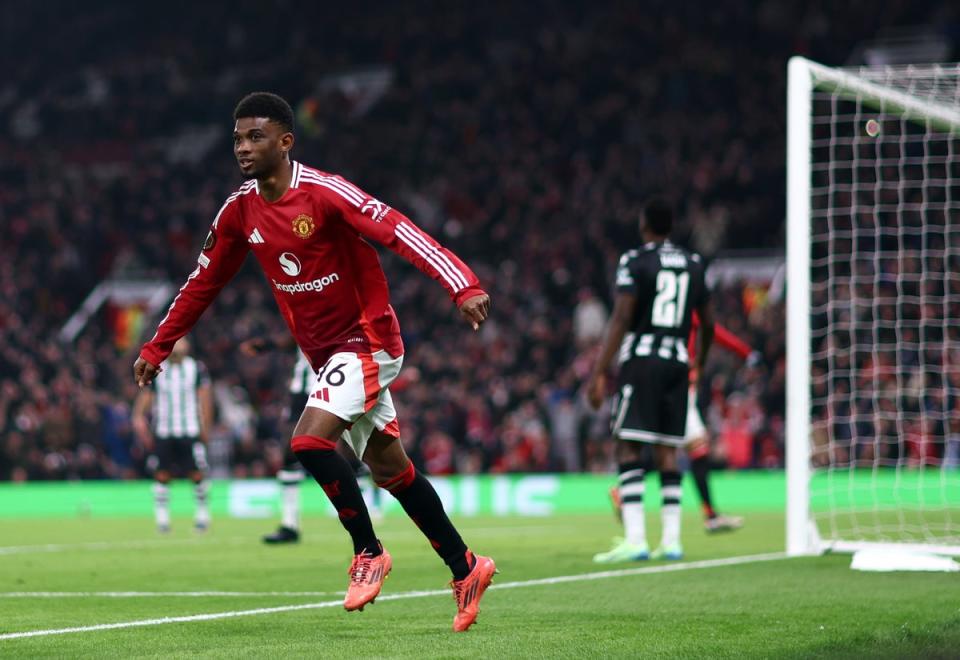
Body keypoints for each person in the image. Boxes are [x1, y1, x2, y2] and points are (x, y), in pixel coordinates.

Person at [133, 92, 495, 632]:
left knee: (307, 442)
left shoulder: (324, 193)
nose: (243, 147)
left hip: (368, 339)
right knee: (392, 470)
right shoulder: (239, 211)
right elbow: (202, 281)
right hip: (327, 356)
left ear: (286, 141)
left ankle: (368, 551)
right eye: (237, 138)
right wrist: (157, 345)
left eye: (255, 137)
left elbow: (396, 228)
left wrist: (460, 282)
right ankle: (467, 566)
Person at [587, 198, 713, 563]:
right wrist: (699, 363)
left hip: (642, 359)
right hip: (677, 361)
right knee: (667, 451)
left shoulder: (634, 260)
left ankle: (636, 540)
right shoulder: (694, 263)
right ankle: (672, 542)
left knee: (628, 446)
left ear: (644, 226)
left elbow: (622, 318)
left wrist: (598, 372)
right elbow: (707, 322)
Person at [608, 315, 758, 533]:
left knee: (676, 449)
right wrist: (746, 352)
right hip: (679, 385)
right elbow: (712, 330)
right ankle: (708, 516)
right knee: (692, 450)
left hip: (672, 382)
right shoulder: (690, 304)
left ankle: (708, 514)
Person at [240, 337, 383, 544]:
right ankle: (290, 523)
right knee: (290, 449)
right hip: (303, 388)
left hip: (339, 382)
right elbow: (295, 337)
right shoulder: (303, 312)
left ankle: (367, 507)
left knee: (349, 448)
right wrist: (268, 344)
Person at [132, 337, 213, 534]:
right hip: (164, 430)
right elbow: (146, 397)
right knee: (161, 475)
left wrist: (206, 428)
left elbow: (205, 399)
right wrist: (139, 418)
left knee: (196, 474)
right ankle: (162, 520)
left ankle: (202, 516)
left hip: (190, 429)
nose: (179, 345)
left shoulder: (196, 368)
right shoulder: (158, 368)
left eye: (183, 342)